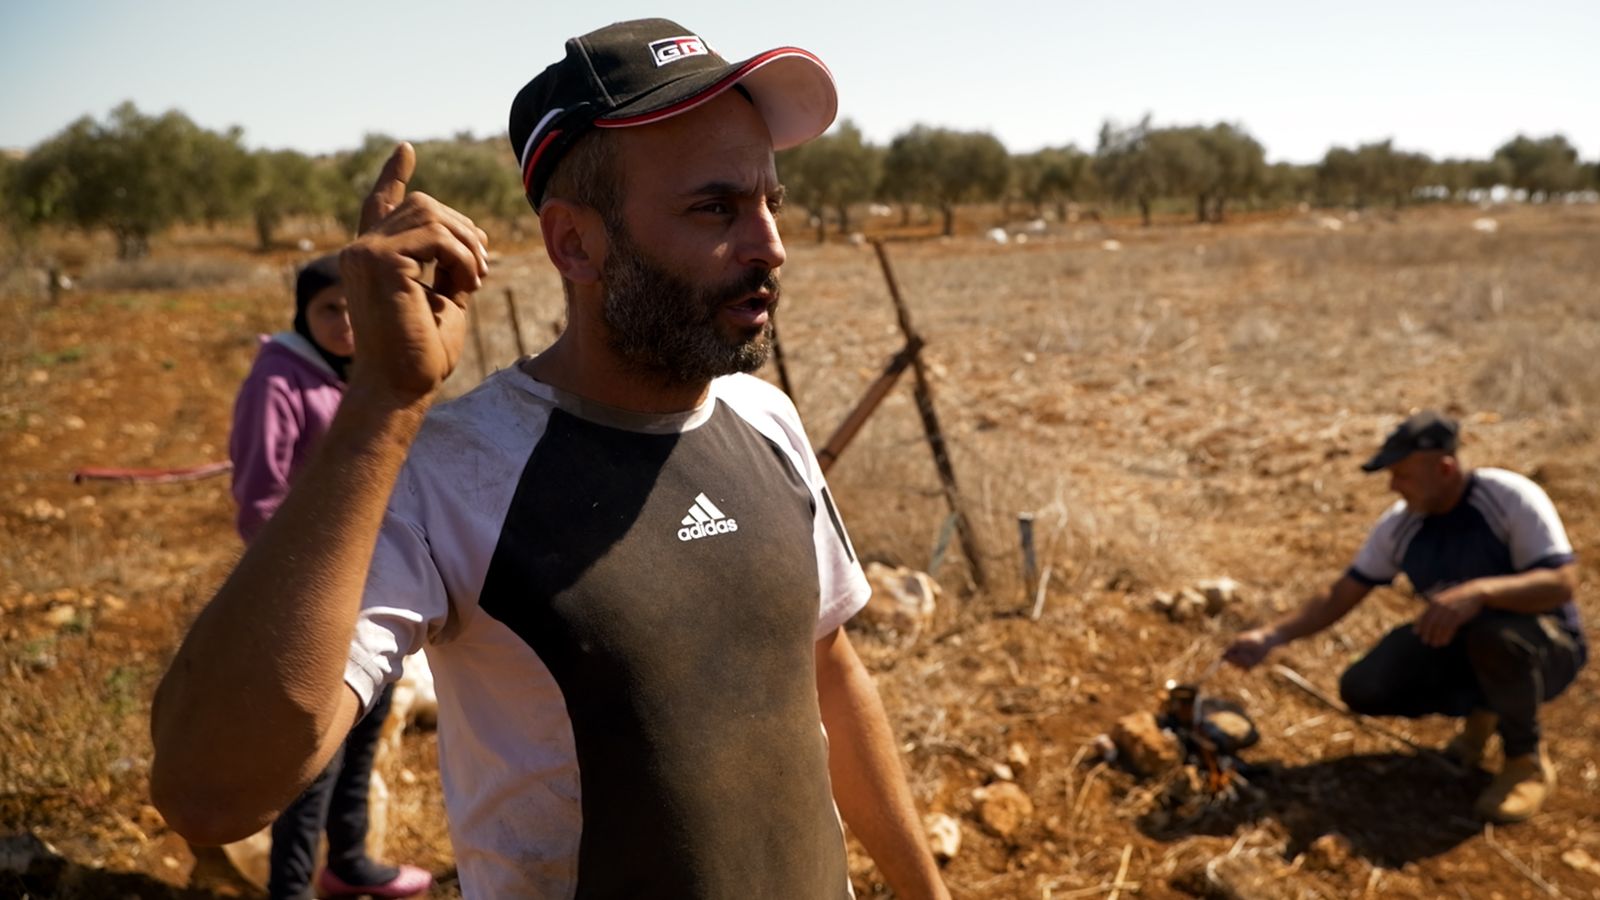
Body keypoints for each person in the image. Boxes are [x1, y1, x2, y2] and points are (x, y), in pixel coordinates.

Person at [153, 18, 949, 899]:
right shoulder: (455, 472)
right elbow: (208, 794)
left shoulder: (766, 421)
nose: (770, 245)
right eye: (715, 208)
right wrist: (381, 401)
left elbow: (828, 672)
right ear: (574, 243)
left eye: (771, 202)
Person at [1225, 410, 1586, 823]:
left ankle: (1525, 761)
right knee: (1364, 687)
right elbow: (1341, 594)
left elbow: (1562, 582)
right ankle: (1484, 712)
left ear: (1445, 469)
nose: (1393, 486)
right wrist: (1270, 636)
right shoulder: (1401, 525)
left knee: (1496, 638)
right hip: (1466, 646)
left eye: (1403, 474)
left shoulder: (1509, 497)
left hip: (1547, 647)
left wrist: (1480, 592)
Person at [225, 257, 431, 899]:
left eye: (353, 309)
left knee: (367, 722)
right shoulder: (278, 379)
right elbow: (259, 499)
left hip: (374, 578)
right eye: (328, 310)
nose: (344, 323)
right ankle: (290, 888)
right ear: (302, 314)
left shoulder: (363, 371)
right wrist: (299, 589)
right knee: (315, 748)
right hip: (314, 593)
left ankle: (349, 860)